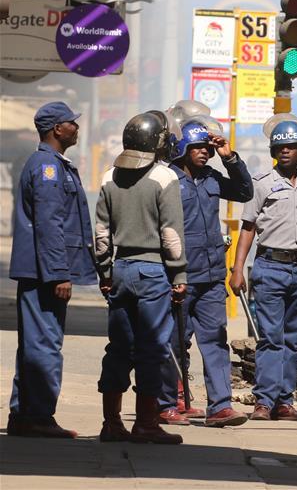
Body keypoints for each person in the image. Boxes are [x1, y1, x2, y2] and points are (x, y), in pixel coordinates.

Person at [230, 118, 297, 421]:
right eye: (280, 147)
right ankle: (264, 401)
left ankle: (284, 402)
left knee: (293, 340)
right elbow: (248, 227)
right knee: (271, 338)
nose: (285, 151)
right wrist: (237, 269)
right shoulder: (262, 183)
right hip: (269, 268)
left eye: (291, 147)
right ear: (273, 151)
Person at [95, 111, 187, 444]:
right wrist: (179, 275)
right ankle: (146, 424)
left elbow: (101, 234)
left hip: (121, 270)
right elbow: (171, 235)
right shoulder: (165, 177)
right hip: (154, 273)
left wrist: (105, 272)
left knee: (119, 348)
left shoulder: (109, 177)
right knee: (152, 349)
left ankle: (111, 423)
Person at [6, 102, 96, 439]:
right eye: (72, 123)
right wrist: (59, 273)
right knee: (44, 345)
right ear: (57, 129)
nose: (77, 128)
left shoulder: (52, 164)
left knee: (35, 344)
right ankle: (39, 416)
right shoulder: (47, 167)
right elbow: (49, 223)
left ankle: (24, 415)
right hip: (45, 273)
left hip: (39, 270)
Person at [157, 119, 253, 428]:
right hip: (181, 276)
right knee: (174, 342)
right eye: (197, 147)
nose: (203, 152)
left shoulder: (212, 177)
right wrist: (170, 274)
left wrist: (229, 157)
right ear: (182, 149)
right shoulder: (166, 180)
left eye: (206, 148)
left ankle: (220, 407)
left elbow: (244, 192)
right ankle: (167, 403)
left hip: (212, 277)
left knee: (215, 340)